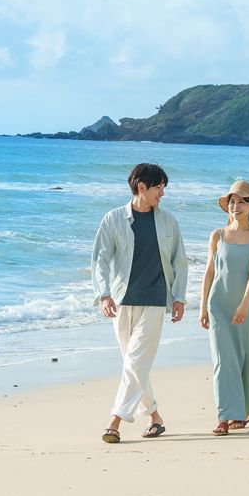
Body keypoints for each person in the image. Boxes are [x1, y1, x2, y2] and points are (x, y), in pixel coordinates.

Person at [90, 162, 188, 444]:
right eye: (159, 187)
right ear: (141, 187)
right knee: (135, 363)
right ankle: (155, 417)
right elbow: (100, 259)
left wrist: (179, 296)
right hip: (122, 301)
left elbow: (179, 262)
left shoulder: (168, 221)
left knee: (135, 361)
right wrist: (104, 294)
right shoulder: (113, 219)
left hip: (155, 301)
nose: (163, 194)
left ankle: (115, 421)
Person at [200, 179, 249, 436]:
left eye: (242, 201)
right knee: (222, 360)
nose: (236, 205)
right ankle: (224, 415)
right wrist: (203, 307)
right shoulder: (217, 235)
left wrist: (244, 304)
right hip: (219, 304)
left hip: (247, 305)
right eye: (232, 201)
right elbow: (209, 272)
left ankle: (241, 412)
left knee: (245, 358)